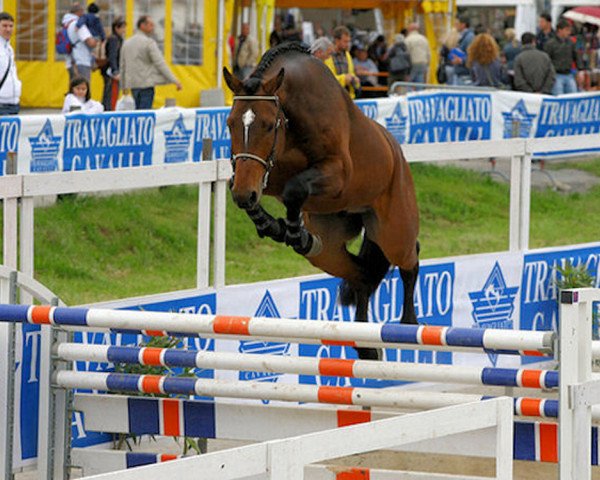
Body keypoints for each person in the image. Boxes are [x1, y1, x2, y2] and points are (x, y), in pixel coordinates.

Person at [120, 15, 182, 110]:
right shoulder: (148, 43)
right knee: (145, 114)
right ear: (142, 25)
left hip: (133, 85)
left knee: (137, 112)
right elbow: (160, 63)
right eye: (150, 25)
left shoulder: (127, 43)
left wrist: (123, 85)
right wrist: (175, 80)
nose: (153, 27)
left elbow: (123, 66)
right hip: (146, 84)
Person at [545, 18, 583, 95]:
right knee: (559, 97)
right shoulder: (550, 44)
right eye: (567, 30)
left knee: (573, 96)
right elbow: (546, 60)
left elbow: (576, 56)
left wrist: (580, 70)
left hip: (569, 74)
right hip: (556, 75)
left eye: (569, 30)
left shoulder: (571, 43)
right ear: (560, 30)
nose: (569, 32)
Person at [325, 25, 360, 98]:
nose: (348, 44)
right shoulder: (328, 56)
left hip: (348, 98)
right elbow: (328, 80)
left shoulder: (347, 55)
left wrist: (355, 79)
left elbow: (351, 73)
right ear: (337, 41)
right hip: (334, 98)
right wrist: (344, 79)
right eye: (345, 41)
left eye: (348, 41)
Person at [101, 17, 126, 111]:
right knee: (110, 93)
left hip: (110, 70)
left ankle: (109, 109)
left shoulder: (117, 39)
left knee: (110, 93)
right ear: (116, 28)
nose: (124, 30)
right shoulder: (114, 39)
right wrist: (115, 71)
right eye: (122, 27)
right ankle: (108, 111)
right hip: (110, 72)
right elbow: (112, 56)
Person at [0, 12, 20, 115]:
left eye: (11, 26)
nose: (8, 29)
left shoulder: (9, 48)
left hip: (13, 103)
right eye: (4, 26)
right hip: (2, 104)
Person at [451, 15, 475, 85]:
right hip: (460, 73)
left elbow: (471, 57)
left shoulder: (469, 37)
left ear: (463, 25)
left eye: (457, 23)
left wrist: (461, 60)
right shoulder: (462, 36)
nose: (455, 26)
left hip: (465, 75)